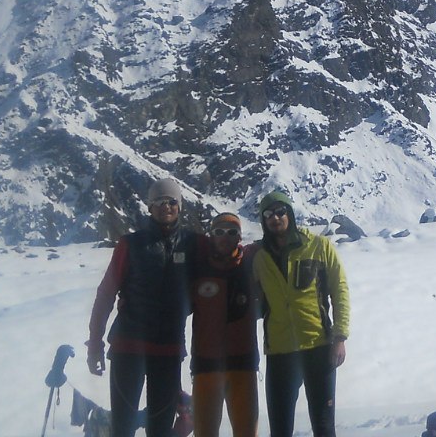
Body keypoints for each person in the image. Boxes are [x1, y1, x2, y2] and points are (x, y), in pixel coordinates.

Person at [88, 178, 197, 437]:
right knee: (123, 426)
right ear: (149, 207)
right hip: (128, 347)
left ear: (180, 206)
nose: (166, 207)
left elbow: (223, 258)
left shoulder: (192, 245)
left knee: (160, 427)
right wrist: (95, 342)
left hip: (168, 350)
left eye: (172, 201)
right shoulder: (130, 245)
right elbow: (105, 295)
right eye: (159, 202)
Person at [253, 190, 351, 437]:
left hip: (318, 346)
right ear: (263, 221)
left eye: (280, 212)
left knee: (324, 426)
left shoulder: (318, 246)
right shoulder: (259, 257)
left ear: (290, 214)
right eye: (268, 214)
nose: (275, 218)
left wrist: (340, 337)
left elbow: (339, 290)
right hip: (280, 351)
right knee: (280, 428)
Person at [189, 212, 259, 437]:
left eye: (232, 232)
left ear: (239, 237)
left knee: (246, 432)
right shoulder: (197, 268)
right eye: (219, 232)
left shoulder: (250, 263)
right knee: (205, 432)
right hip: (206, 366)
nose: (225, 237)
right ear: (211, 235)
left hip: (244, 364)